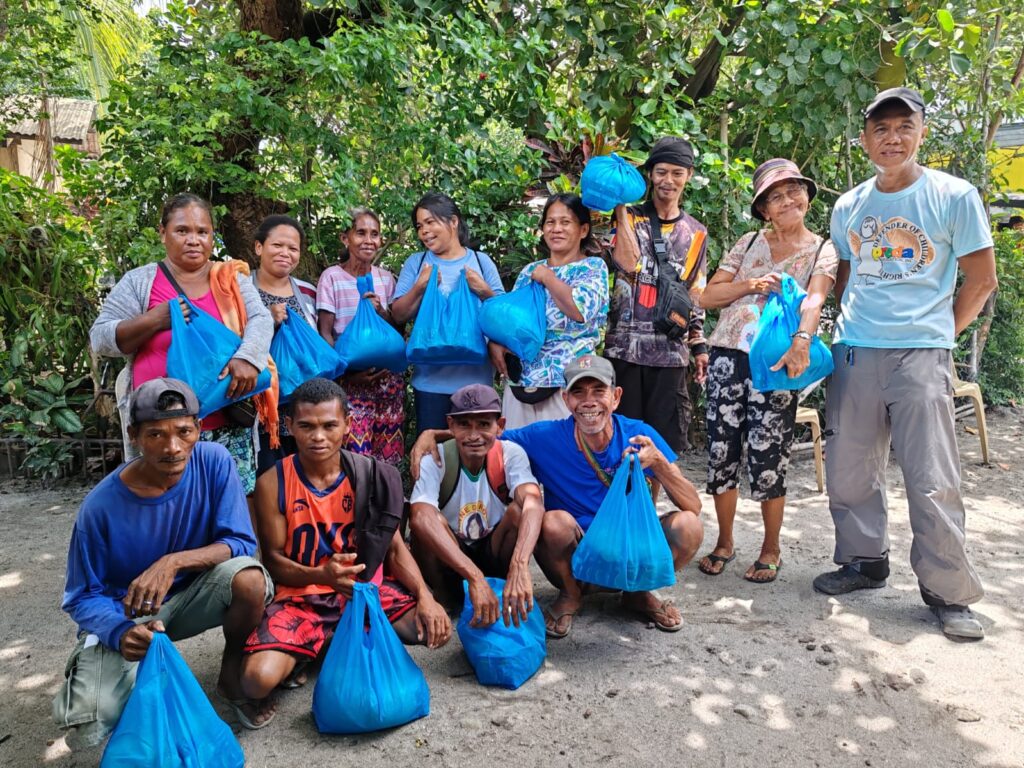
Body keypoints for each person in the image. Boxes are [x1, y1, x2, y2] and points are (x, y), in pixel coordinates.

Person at [814, 87, 997, 640]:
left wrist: (940, 334)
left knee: (931, 475)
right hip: (854, 351)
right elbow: (841, 277)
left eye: (903, 127)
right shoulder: (849, 204)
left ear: (921, 133)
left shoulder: (954, 196)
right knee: (849, 468)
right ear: (866, 138)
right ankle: (864, 561)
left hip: (921, 353)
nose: (891, 138)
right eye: (880, 129)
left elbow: (982, 279)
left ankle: (948, 592)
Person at [412, 355, 703, 639]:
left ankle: (637, 593)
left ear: (615, 396)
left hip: (629, 544)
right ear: (566, 400)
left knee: (689, 526)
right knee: (553, 523)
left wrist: (660, 465)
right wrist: (433, 435)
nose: (588, 401)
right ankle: (571, 594)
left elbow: (693, 505)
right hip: (576, 547)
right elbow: (482, 433)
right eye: (578, 392)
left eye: (598, 391)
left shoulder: (639, 434)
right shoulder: (543, 436)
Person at [52, 378, 273, 748]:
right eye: (156, 435)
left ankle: (230, 675)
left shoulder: (215, 461)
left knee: (250, 580)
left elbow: (239, 542)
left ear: (199, 430)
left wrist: (172, 563)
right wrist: (120, 631)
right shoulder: (100, 507)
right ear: (134, 434)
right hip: (129, 613)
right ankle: (118, 683)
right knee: (90, 724)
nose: (173, 448)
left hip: (191, 597)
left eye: (184, 432)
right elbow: (80, 596)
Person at [240, 378, 450, 712]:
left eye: (329, 425)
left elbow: (394, 548)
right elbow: (275, 562)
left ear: (348, 425)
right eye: (306, 426)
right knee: (255, 682)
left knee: (430, 630)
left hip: (362, 589)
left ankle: (321, 648)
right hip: (303, 596)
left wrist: (426, 597)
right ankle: (332, 642)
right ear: (290, 426)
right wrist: (323, 576)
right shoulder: (273, 481)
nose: (318, 437)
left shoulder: (368, 474)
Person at [696, 159, 838, 584]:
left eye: (794, 190)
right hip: (727, 357)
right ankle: (724, 541)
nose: (788, 199)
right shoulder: (748, 241)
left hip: (777, 362)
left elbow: (815, 299)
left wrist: (801, 342)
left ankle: (770, 547)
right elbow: (706, 298)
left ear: (807, 196)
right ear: (764, 210)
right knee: (722, 451)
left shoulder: (821, 249)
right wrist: (751, 284)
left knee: (768, 455)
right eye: (776, 196)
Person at [89, 193, 275, 495]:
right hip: (159, 430)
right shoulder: (141, 281)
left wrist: (248, 358)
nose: (194, 240)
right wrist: (155, 320)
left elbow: (261, 319)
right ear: (163, 233)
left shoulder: (230, 279)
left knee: (224, 503)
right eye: (182, 231)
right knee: (161, 506)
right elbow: (101, 339)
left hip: (224, 420)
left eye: (203, 232)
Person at [408, 384, 545, 627]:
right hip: (452, 557)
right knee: (428, 520)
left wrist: (520, 564)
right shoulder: (436, 458)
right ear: (450, 425)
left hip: (493, 551)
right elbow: (419, 517)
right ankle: (446, 597)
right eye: (464, 425)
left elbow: (533, 502)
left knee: (518, 511)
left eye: (484, 424)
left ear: (499, 426)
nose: (474, 435)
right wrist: (475, 578)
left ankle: (504, 585)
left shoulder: (510, 454)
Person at [607, 136, 709, 452]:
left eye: (677, 173)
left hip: (670, 354)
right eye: (661, 172)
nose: (668, 180)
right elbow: (626, 262)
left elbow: (695, 292)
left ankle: (649, 504)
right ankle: (627, 502)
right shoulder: (627, 217)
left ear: (689, 175)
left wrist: (699, 345)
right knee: (622, 442)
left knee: (661, 446)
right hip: (625, 352)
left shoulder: (697, 232)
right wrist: (621, 208)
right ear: (650, 174)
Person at [489, 194, 610, 428]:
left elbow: (578, 311)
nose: (556, 229)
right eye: (550, 222)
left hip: (569, 385)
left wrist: (548, 277)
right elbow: (510, 321)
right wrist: (495, 343)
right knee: (517, 455)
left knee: (563, 458)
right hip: (522, 382)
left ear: (583, 229)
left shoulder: (593, 267)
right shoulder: (529, 271)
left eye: (565, 222)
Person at [391, 192, 505, 433]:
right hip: (430, 386)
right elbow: (399, 314)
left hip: (476, 385)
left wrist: (484, 290)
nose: (424, 231)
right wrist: (420, 285)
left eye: (431, 222)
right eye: (419, 226)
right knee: (433, 459)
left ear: (453, 222)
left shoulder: (481, 262)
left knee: (476, 458)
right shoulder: (417, 262)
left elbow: (504, 317)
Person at [316, 208, 405, 465]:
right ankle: (357, 505)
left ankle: (385, 505)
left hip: (388, 382)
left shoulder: (386, 279)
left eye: (375, 234)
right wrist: (344, 375)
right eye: (361, 233)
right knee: (355, 457)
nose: (369, 240)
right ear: (346, 239)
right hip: (350, 383)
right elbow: (325, 332)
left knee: (388, 457)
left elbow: (396, 331)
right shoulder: (332, 277)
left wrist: (379, 310)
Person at [251, 214, 318, 475]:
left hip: (306, 409)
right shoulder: (241, 289)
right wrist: (268, 319)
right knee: (268, 478)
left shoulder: (308, 292)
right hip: (262, 408)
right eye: (277, 245)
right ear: (259, 247)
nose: (285, 253)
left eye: (293, 248)